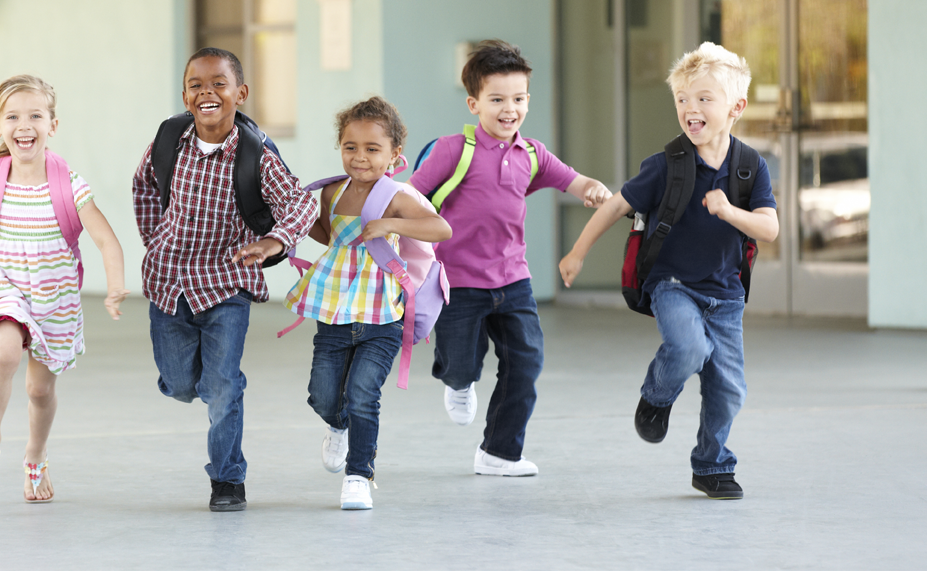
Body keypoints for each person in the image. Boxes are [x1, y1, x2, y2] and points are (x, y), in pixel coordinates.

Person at [560, 42, 778, 499]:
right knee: (688, 348)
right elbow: (618, 204)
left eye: (703, 99)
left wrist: (729, 213)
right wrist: (578, 251)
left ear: (735, 108)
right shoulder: (666, 166)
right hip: (672, 285)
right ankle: (656, 397)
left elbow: (769, 228)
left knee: (729, 387)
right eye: (682, 99)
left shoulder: (749, 168)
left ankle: (712, 466)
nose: (690, 108)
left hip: (726, 294)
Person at [0, 74, 128, 503]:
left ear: (53, 124)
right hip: (3, 286)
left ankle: (36, 455)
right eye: (12, 116)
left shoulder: (69, 185)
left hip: (54, 298)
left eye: (35, 115)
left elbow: (106, 239)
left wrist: (116, 286)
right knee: (7, 352)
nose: (24, 124)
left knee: (39, 390)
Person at [408, 39, 611, 477]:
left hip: (512, 279)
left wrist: (593, 189)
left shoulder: (532, 154)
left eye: (518, 99)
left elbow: (575, 181)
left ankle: (499, 452)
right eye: (497, 99)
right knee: (462, 363)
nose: (509, 109)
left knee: (527, 360)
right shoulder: (452, 150)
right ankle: (459, 382)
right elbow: (411, 198)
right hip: (457, 280)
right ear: (474, 103)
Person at [132, 48, 317, 512]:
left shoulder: (256, 155)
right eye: (196, 84)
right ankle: (197, 386)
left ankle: (228, 479)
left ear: (241, 93)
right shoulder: (169, 140)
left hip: (225, 285)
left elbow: (302, 204)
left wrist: (274, 242)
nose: (207, 92)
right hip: (168, 282)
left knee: (223, 385)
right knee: (178, 384)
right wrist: (155, 240)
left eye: (219, 83)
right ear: (185, 95)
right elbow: (144, 187)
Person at [285, 97, 451, 510]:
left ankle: (359, 475)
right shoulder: (331, 193)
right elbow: (327, 235)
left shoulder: (397, 195)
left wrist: (392, 223)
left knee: (363, 392)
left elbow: (441, 228)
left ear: (395, 155)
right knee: (323, 394)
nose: (360, 157)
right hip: (335, 310)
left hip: (382, 313)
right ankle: (337, 425)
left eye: (373, 149)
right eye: (350, 147)